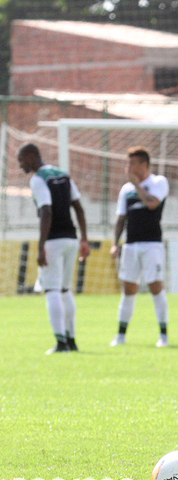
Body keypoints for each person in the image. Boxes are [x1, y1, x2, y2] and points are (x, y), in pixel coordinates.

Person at [19, 143, 91, 354]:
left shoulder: (38, 179)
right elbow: (78, 207)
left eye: (21, 160)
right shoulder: (63, 174)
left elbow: (46, 211)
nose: (20, 165)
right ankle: (71, 340)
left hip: (53, 240)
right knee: (65, 290)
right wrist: (84, 239)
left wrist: (41, 247)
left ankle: (60, 343)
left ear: (32, 157)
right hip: (71, 238)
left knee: (51, 290)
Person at [110, 147, 170, 348]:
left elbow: (152, 204)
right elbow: (120, 219)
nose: (128, 167)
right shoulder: (125, 190)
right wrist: (115, 244)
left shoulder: (158, 183)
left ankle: (163, 335)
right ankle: (120, 335)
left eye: (132, 163)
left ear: (144, 165)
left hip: (152, 244)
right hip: (130, 245)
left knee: (155, 287)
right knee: (128, 289)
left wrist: (137, 186)